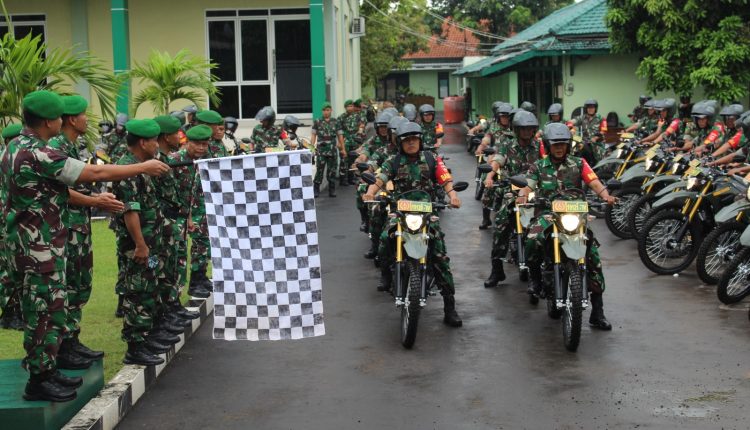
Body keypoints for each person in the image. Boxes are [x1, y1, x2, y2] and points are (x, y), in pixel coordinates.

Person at [1, 91, 168, 402]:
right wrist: (142, 167)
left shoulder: (14, 147)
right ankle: (39, 378)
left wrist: (94, 200)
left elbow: (52, 192)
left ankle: (47, 369)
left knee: (50, 309)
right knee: (43, 311)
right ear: (50, 122)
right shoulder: (38, 153)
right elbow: (96, 172)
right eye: (59, 117)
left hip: (33, 244)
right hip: (38, 247)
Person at [362, 122, 464, 327]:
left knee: (440, 256)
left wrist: (453, 196)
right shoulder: (393, 161)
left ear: (420, 140)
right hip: (400, 211)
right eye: (407, 140)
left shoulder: (431, 159)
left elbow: (445, 179)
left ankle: (449, 306)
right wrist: (370, 193)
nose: (411, 143)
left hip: (427, 212)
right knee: (385, 238)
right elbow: (380, 179)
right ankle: (386, 273)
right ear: (400, 143)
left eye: (414, 139)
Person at [516, 122, 615, 330]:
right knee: (532, 239)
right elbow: (528, 186)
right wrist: (522, 195)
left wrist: (606, 195)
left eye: (563, 144)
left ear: (568, 145)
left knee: (593, 255)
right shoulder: (538, 166)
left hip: (575, 215)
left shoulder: (579, 163)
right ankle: (535, 279)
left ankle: (597, 312)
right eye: (555, 144)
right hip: (547, 214)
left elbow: (594, 182)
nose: (559, 148)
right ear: (548, 145)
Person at [49, 95, 120, 369]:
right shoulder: (56, 147)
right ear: (71, 119)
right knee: (67, 286)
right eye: (82, 115)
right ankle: (63, 347)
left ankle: (72, 340)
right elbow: (62, 192)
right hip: (65, 227)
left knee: (79, 285)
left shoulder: (71, 145)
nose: (86, 120)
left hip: (78, 225)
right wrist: (94, 201)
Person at [482, 110, 544, 288]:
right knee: (501, 224)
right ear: (516, 129)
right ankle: (497, 270)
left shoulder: (540, 146)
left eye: (529, 129)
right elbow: (497, 161)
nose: (526, 132)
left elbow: (548, 164)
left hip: (534, 190)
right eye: (523, 129)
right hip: (512, 190)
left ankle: (544, 270)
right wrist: (490, 177)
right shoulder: (507, 145)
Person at [152, 116, 201, 326]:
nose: (179, 137)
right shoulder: (157, 162)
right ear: (166, 137)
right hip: (159, 225)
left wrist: (186, 217)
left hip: (174, 222)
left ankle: (173, 305)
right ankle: (164, 311)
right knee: (159, 268)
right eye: (176, 133)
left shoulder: (164, 159)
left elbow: (178, 195)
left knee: (174, 266)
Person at [170, 125, 212, 299]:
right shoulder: (176, 160)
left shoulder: (197, 160)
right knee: (175, 256)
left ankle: (197, 280)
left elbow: (191, 191)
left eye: (205, 144)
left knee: (201, 244)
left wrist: (189, 217)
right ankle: (176, 295)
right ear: (188, 142)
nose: (201, 148)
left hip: (188, 212)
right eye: (197, 144)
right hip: (172, 215)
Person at [476, 102, 514, 230]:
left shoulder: (516, 131)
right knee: (488, 189)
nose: (505, 119)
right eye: (503, 116)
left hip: (512, 166)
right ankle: (486, 219)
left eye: (507, 116)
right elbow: (487, 139)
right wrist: (481, 146)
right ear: (499, 117)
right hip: (495, 162)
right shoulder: (494, 129)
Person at [353, 112, 393, 235]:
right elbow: (365, 153)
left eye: (386, 127)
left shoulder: (402, 146)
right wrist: (359, 162)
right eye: (381, 127)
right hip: (377, 174)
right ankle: (365, 219)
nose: (383, 130)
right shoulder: (376, 142)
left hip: (398, 178)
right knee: (361, 189)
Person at [0, 124, 23, 330]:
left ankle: (15, 311)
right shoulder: (5, 160)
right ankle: (9, 314)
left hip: (10, 220)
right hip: (4, 222)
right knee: (6, 269)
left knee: (13, 267)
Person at [311, 102, 345, 198]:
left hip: (332, 150)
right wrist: (311, 148)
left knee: (332, 170)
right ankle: (316, 189)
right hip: (321, 150)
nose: (326, 112)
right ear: (322, 111)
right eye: (324, 110)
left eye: (328, 110)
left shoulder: (336, 121)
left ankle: (332, 190)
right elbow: (313, 135)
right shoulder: (317, 121)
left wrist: (343, 149)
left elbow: (340, 136)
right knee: (319, 170)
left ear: (331, 110)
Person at [567, 99, 606, 166]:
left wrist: (595, 138)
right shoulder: (582, 117)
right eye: (589, 107)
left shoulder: (601, 118)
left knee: (599, 162)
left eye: (592, 107)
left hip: (597, 144)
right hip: (585, 142)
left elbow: (603, 131)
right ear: (586, 109)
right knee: (575, 149)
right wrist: (571, 128)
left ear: (595, 108)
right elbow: (571, 122)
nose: (590, 109)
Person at [338, 100, 365, 185]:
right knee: (344, 160)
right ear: (345, 107)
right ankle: (343, 179)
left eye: (351, 106)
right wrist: (339, 142)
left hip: (354, 140)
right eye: (348, 106)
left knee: (353, 159)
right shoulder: (341, 117)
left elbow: (362, 125)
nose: (350, 108)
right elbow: (338, 131)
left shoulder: (357, 116)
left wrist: (360, 134)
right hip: (345, 140)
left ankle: (351, 178)